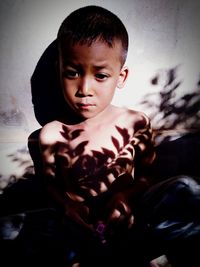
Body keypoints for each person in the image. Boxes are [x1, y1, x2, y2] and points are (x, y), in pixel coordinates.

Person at [10, 5, 200, 267]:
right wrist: (68, 207)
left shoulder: (135, 122)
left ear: (120, 76)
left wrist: (126, 197)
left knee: (187, 190)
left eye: (100, 75)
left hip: (131, 221)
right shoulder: (50, 134)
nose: (84, 89)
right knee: (11, 228)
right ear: (59, 70)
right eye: (72, 73)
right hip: (78, 231)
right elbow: (51, 186)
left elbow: (147, 176)